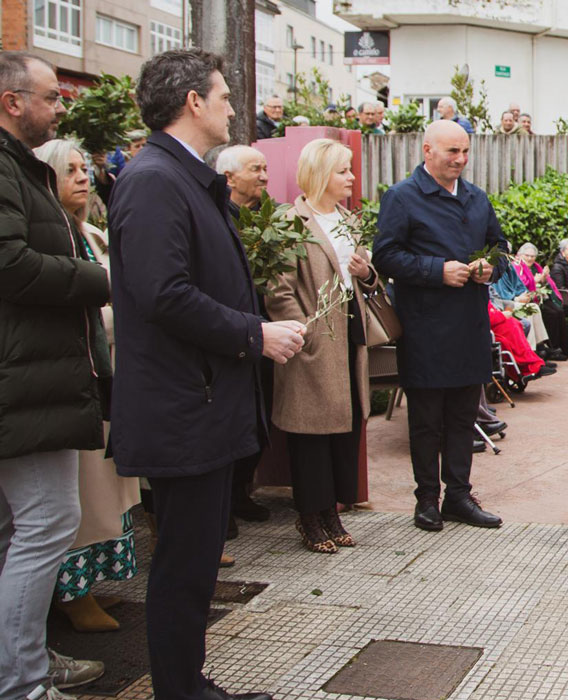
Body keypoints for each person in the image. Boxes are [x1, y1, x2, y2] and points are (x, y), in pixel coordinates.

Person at [109, 49, 305, 700]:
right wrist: (255, 333)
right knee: (183, 568)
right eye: (222, 96)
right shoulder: (155, 180)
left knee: (193, 567)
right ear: (192, 102)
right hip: (181, 408)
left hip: (201, 403)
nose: (230, 106)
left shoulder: (183, 178)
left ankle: (188, 686)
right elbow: (163, 294)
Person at [0, 50, 110, 700]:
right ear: (13, 102)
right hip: (23, 384)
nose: (60, 108)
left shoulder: (22, 168)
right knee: (46, 522)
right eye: (50, 97)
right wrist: (96, 280)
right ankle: (23, 680)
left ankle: (25, 657)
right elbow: (10, 264)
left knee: (22, 530)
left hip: (30, 379)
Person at [373, 119, 506, 532]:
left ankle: (460, 496)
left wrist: (490, 266)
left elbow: (501, 247)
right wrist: (437, 271)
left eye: (465, 151)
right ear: (427, 150)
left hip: (468, 324)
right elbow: (386, 257)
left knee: (464, 417)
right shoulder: (402, 197)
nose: (461, 160)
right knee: (427, 420)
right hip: (425, 328)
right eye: (452, 152)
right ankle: (427, 499)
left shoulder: (477, 197)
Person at [34, 137, 141, 633]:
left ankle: (90, 586)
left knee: (106, 493)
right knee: (79, 496)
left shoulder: (93, 234)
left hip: (108, 376)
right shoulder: (47, 242)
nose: (82, 177)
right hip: (74, 382)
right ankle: (70, 596)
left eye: (83, 168)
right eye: (69, 169)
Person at [266, 138, 376, 553]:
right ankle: (310, 517)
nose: (351, 177)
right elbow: (279, 289)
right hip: (311, 339)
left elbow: (367, 277)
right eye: (343, 170)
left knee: (344, 427)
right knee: (310, 432)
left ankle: (332, 511)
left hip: (350, 334)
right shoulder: (291, 222)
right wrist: (303, 332)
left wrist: (367, 273)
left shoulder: (350, 219)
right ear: (320, 174)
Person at [215, 144, 275, 527]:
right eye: (256, 169)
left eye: (266, 168)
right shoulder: (220, 219)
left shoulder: (268, 222)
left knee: (260, 414)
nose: (265, 176)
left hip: (266, 331)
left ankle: (242, 491)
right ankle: (227, 501)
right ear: (230, 178)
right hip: (232, 332)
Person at [515, 242, 568, 357]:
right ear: (520, 255)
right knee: (551, 313)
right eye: (527, 256)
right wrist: (534, 282)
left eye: (532, 256)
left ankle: (565, 347)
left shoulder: (536, 267)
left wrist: (544, 278)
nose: (530, 258)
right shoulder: (517, 267)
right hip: (528, 298)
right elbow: (520, 286)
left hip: (540, 297)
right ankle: (551, 347)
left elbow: (547, 284)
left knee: (559, 311)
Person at [217, 145, 269, 219]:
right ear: (229, 178)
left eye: (265, 170)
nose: (264, 178)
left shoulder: (281, 215)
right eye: (255, 169)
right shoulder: (214, 216)